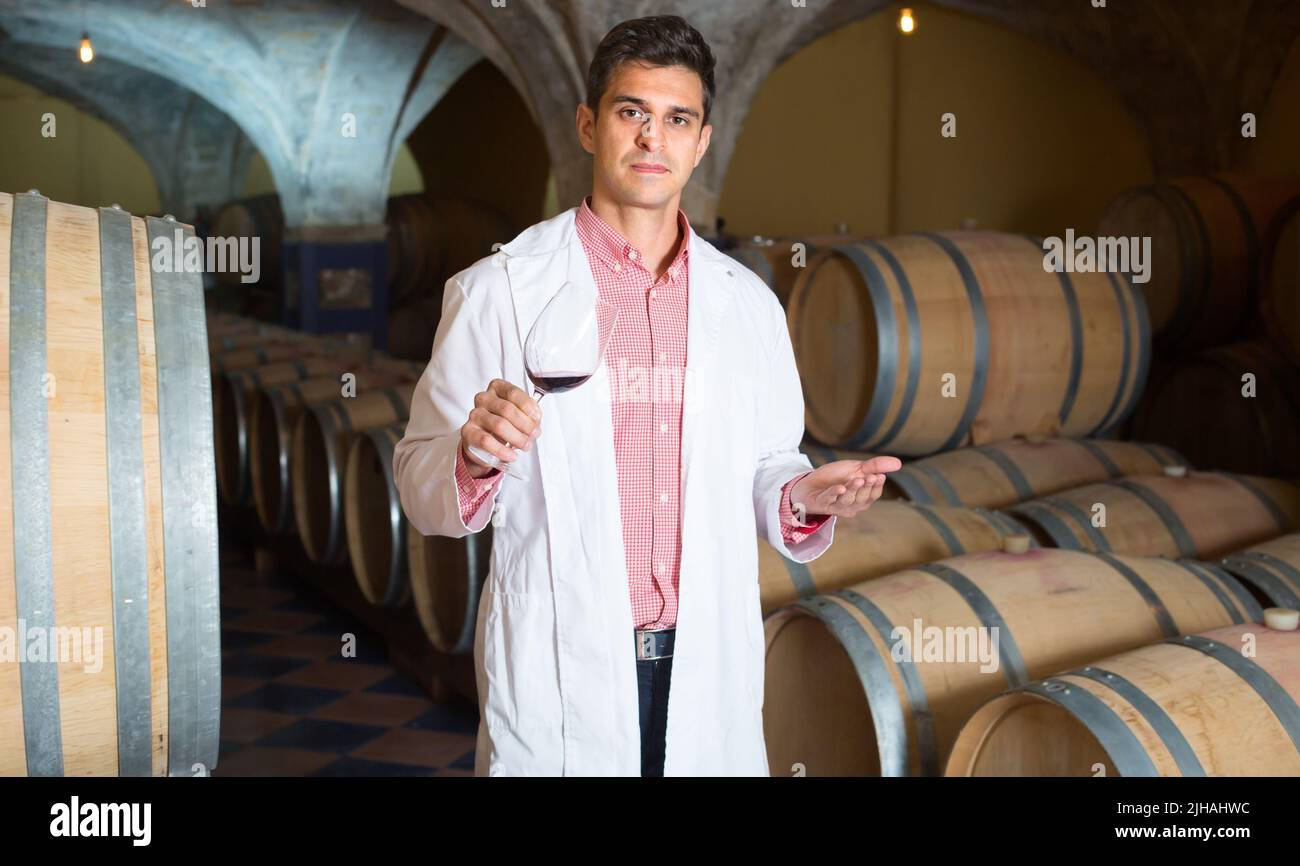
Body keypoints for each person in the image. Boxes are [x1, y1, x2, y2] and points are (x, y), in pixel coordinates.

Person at [392, 14, 901, 777]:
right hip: (561, 668)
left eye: (676, 119)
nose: (651, 138)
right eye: (631, 112)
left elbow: (767, 464)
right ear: (590, 126)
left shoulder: (748, 305)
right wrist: (470, 457)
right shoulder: (501, 290)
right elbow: (417, 482)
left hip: (707, 662)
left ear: (702, 141)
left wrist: (803, 493)